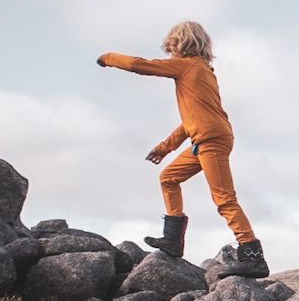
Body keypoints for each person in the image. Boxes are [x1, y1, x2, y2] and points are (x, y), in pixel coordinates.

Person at [97, 21, 269, 278]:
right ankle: (173, 240)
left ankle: (252, 255)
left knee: (224, 198)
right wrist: (164, 148)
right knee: (169, 177)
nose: (170, 52)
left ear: (185, 44)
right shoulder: (203, 72)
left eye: (173, 46)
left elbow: (140, 65)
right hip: (207, 137)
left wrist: (108, 57)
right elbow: (192, 121)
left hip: (211, 140)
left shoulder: (188, 65)